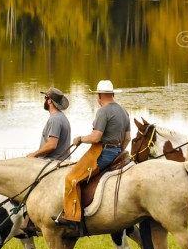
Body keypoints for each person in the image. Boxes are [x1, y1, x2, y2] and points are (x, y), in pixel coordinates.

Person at [55, 79, 131, 228]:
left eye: (98, 95)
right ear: (113, 94)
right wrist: (118, 151)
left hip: (102, 152)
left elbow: (96, 137)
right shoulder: (124, 111)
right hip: (117, 151)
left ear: (100, 95)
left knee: (72, 178)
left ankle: (72, 218)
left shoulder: (103, 111)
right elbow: (127, 138)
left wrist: (80, 139)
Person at [26, 87, 72, 161]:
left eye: (45, 98)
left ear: (50, 101)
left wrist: (34, 154)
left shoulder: (55, 119)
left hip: (52, 163)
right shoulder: (62, 117)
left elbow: (52, 145)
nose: (44, 100)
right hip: (61, 161)